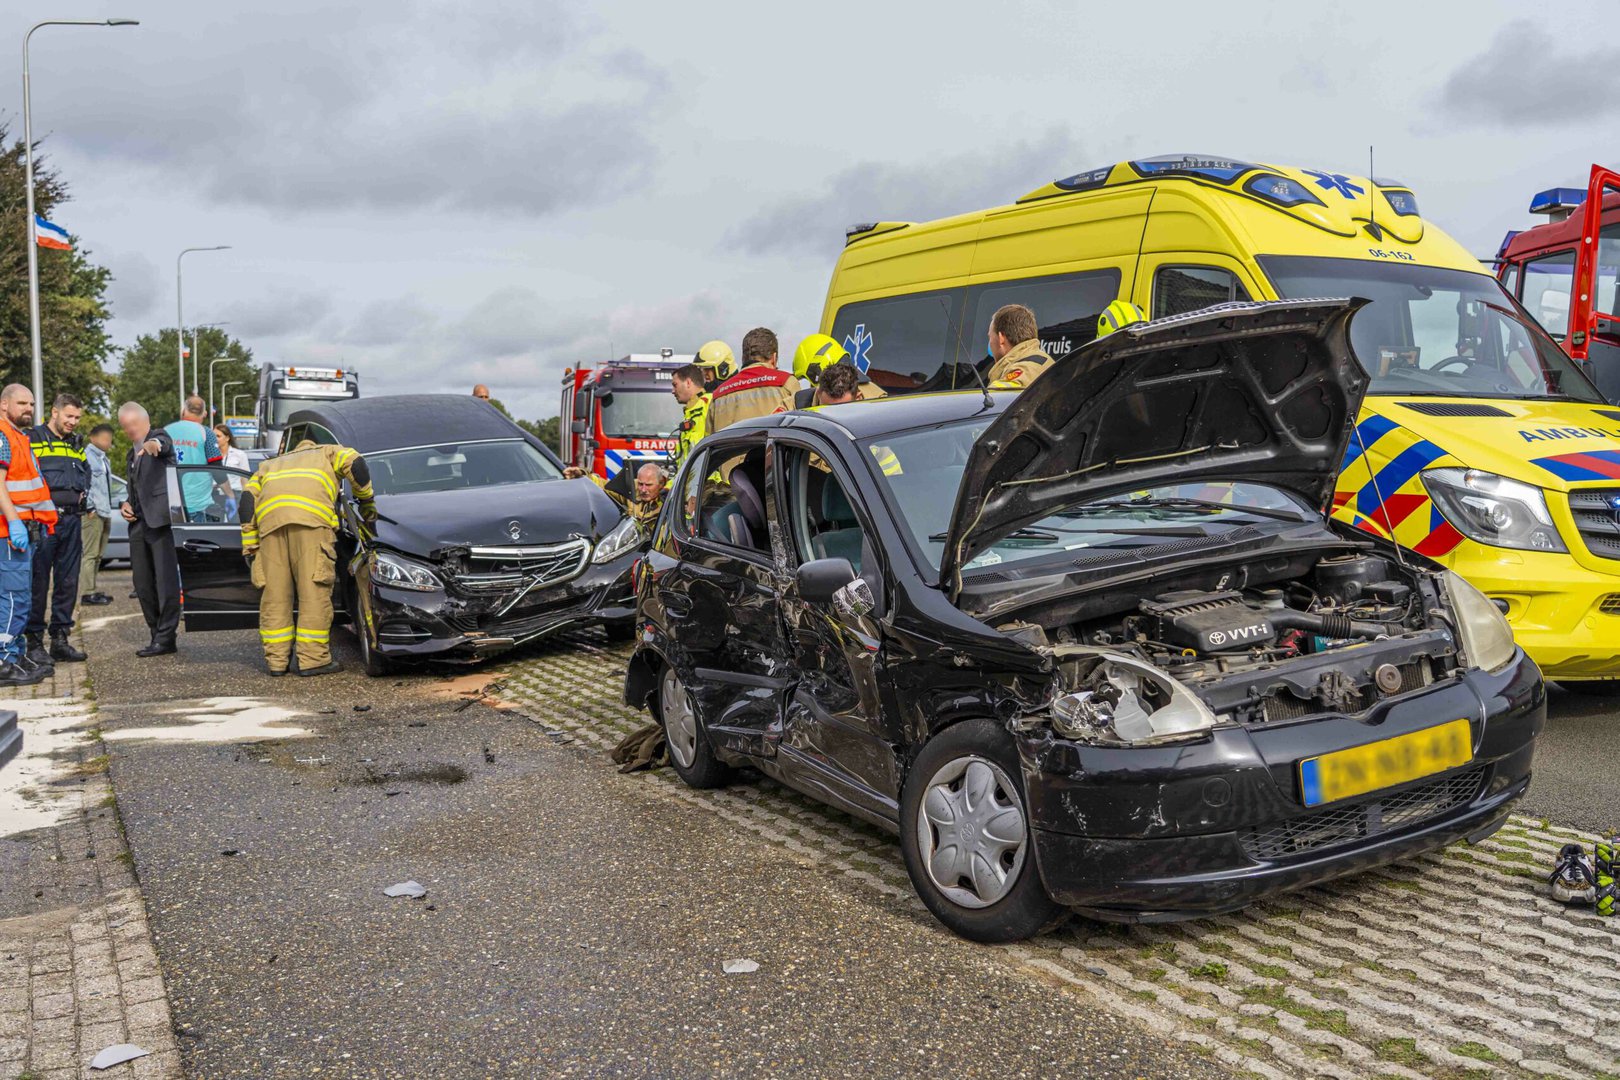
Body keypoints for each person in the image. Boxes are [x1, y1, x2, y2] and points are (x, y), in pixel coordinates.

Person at [239, 439, 375, 677]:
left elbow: (247, 502)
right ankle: (313, 660)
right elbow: (356, 464)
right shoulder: (327, 452)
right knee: (313, 592)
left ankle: (277, 662)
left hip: (271, 529)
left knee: (275, 597)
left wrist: (250, 546)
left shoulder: (271, 464)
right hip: (312, 526)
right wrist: (367, 503)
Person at [0, 385, 57, 684]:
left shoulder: (20, 437)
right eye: (22, 403)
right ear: (4, 404)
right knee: (13, 598)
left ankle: (16, 654)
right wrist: (14, 523)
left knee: (21, 599)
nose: (29, 408)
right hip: (9, 534)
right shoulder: (2, 436)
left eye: (32, 403)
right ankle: (3, 661)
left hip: (25, 531)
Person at [26, 394, 89, 663]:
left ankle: (60, 639)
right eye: (69, 416)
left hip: (72, 522)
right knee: (38, 583)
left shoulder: (76, 443)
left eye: (77, 418)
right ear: (54, 412)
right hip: (42, 523)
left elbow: (85, 474)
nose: (73, 422)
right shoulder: (33, 438)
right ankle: (33, 643)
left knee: (67, 582)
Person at [119, 403, 180, 657]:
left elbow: (161, 445)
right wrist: (126, 504)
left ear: (146, 422)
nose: (131, 429)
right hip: (138, 526)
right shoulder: (130, 455)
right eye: (125, 426)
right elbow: (135, 489)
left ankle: (166, 637)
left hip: (160, 523)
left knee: (165, 583)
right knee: (142, 584)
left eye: (134, 424)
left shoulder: (160, 436)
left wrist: (152, 445)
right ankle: (156, 634)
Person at [707, 327, 798, 434]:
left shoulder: (718, 395)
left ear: (743, 358)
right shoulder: (786, 383)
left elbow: (708, 442)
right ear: (774, 358)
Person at [562, 461, 667, 531]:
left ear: (661, 483)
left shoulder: (669, 498)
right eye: (640, 484)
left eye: (648, 485)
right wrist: (582, 475)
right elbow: (604, 485)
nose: (643, 490)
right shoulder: (631, 488)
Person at [164, 396, 223, 522]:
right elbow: (217, 468)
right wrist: (230, 495)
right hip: (199, 505)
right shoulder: (206, 433)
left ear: (183, 411)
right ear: (205, 414)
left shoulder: (165, 431)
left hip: (170, 505)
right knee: (200, 541)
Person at [79, 423, 116, 607]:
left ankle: (92, 589)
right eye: (105, 439)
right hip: (93, 513)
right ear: (94, 438)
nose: (109, 443)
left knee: (99, 555)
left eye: (110, 439)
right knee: (90, 554)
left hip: (105, 511)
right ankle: (87, 593)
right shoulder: (86, 457)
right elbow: (84, 484)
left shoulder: (103, 459)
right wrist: (89, 508)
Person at [985, 304, 1053, 389]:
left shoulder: (1023, 370)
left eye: (990, 337)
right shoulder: (1039, 361)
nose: (989, 343)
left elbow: (996, 398)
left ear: (1001, 338)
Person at [668, 363, 709, 469]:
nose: (673, 391)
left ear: (688, 382)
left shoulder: (710, 404)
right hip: (693, 483)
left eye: (675, 385)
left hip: (709, 483)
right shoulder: (690, 412)